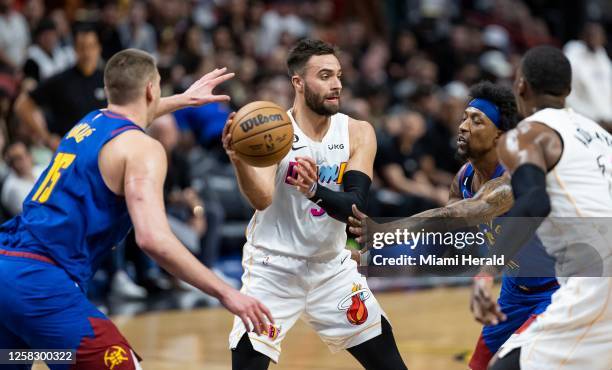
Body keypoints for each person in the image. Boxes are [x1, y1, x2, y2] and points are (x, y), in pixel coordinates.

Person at [0, 49, 272, 369]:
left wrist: (182, 99)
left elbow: (131, 110)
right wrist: (228, 293)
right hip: (41, 284)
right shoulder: (143, 148)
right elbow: (153, 239)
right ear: (150, 90)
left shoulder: (89, 122)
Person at [223, 39, 407, 370]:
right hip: (274, 270)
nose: (336, 84)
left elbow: (356, 205)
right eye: (324, 76)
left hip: (331, 270)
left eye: (338, 75)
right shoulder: (273, 131)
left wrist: (313, 189)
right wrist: (239, 160)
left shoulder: (358, 132)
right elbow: (262, 199)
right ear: (298, 82)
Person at [348, 81, 558, 370]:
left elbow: (465, 213)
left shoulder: (513, 178)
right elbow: (441, 233)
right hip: (514, 291)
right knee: (478, 366)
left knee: (514, 364)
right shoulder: (463, 177)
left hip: (556, 290)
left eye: (476, 120)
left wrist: (387, 230)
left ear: (500, 135)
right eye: (463, 117)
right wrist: (369, 257)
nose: (463, 126)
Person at [484, 46, 612, 370]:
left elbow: (534, 201)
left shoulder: (526, 134)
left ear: (521, 86)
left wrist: (487, 271)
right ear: (568, 90)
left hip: (598, 278)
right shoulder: (602, 135)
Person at [15, 23, 105, 150]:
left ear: (99, 48)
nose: (87, 53)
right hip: (69, 153)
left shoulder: (108, 80)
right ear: (74, 49)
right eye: (82, 47)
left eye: (91, 46)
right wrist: (46, 137)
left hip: (101, 151)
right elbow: (22, 105)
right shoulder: (61, 80)